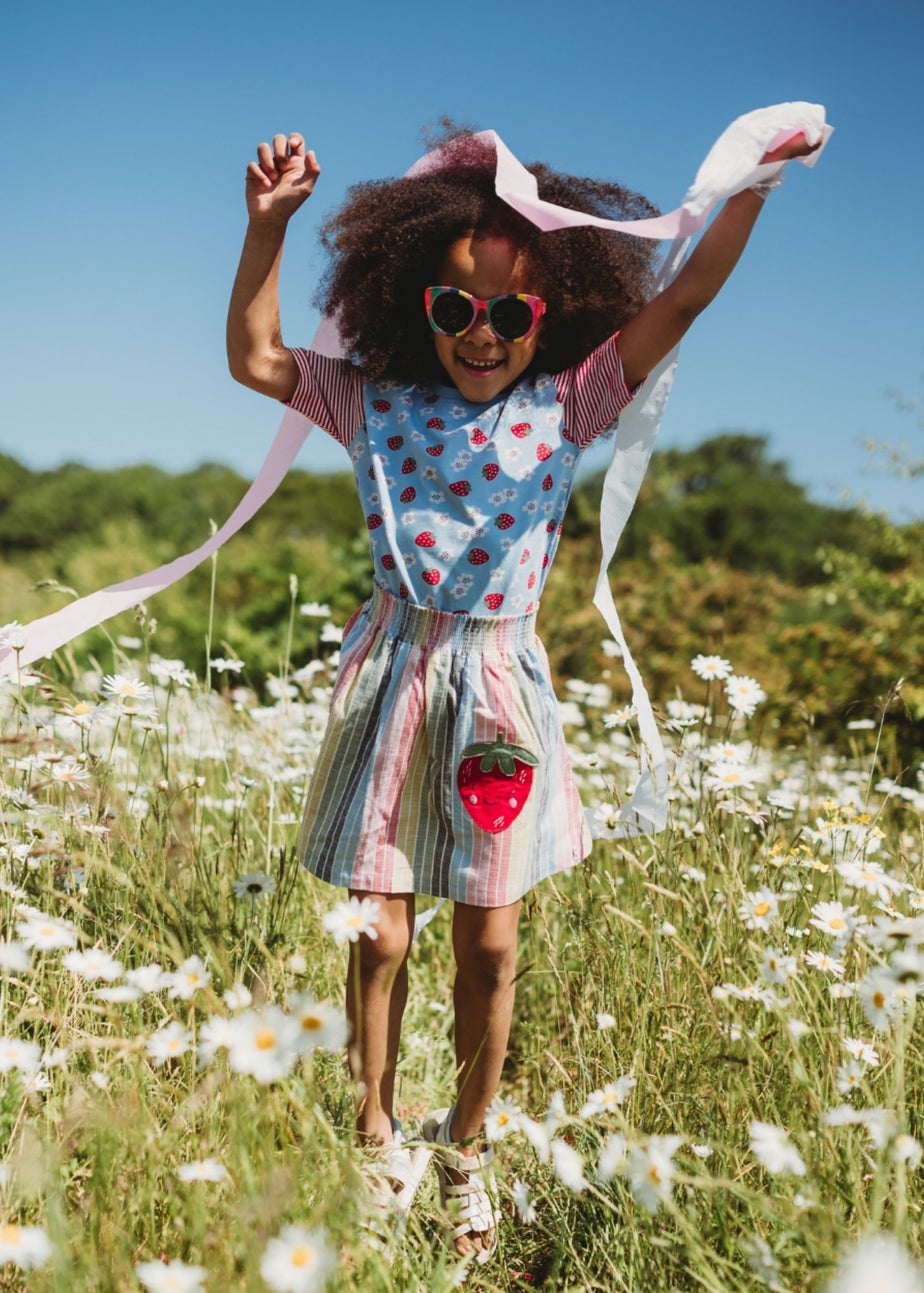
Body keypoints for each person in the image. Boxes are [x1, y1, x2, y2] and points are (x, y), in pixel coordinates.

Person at [226, 120, 819, 1264]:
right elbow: (255, 359)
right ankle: (374, 1135)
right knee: (378, 931)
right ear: (414, 301)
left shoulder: (571, 403)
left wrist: (755, 183)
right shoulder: (373, 399)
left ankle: (468, 1143)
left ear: (554, 315)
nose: (482, 332)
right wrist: (267, 230)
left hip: (499, 690)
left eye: (511, 312)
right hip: (395, 676)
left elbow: (688, 295)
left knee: (490, 944)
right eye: (455, 306)